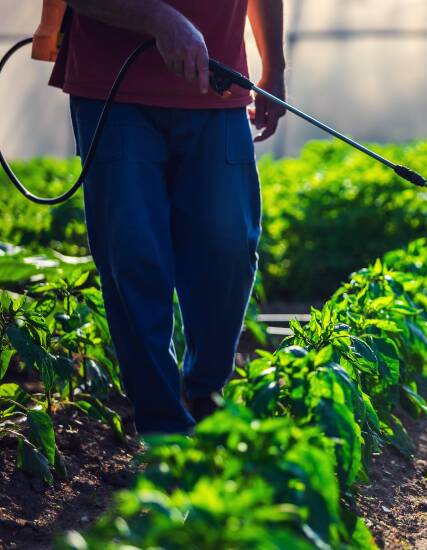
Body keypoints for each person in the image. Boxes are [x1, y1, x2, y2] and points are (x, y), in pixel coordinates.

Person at [49, 0, 286, 435]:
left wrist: (275, 67)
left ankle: (206, 396)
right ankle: (163, 427)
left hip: (217, 82)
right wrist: (157, 18)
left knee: (229, 247)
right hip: (113, 90)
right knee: (133, 257)